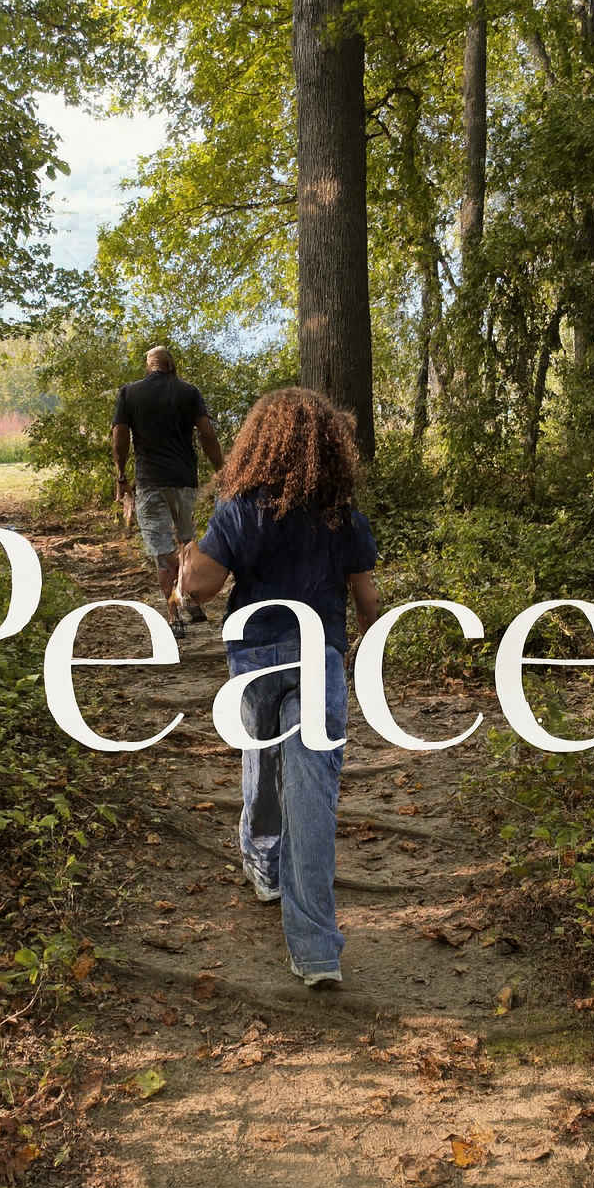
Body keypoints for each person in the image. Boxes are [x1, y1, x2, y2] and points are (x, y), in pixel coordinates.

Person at [178, 388, 379, 988]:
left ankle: (263, 864)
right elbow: (368, 602)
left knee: (260, 760)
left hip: (257, 657)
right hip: (319, 657)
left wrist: (189, 573)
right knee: (313, 794)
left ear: (257, 443)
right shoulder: (344, 515)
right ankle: (317, 951)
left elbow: (206, 587)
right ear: (328, 447)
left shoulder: (239, 509)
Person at [112, 346, 223, 636]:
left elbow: (120, 436)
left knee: (163, 552)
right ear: (171, 366)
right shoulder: (188, 392)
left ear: (148, 366)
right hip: (183, 480)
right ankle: (192, 599)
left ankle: (174, 618)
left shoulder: (129, 393)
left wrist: (121, 475)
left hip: (149, 482)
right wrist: (222, 470)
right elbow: (207, 433)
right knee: (187, 543)